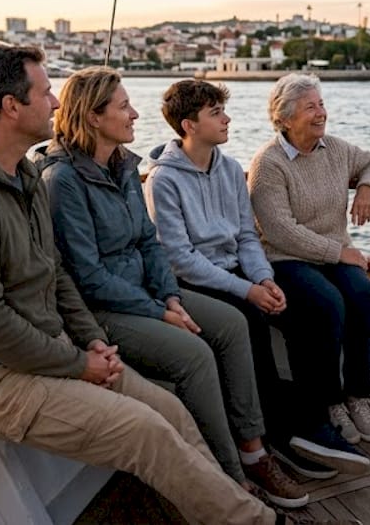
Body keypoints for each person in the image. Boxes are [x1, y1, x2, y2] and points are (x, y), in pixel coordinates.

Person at [0, 45, 275, 524]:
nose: (56, 103)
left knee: (169, 412)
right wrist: (79, 363)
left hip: (47, 346)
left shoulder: (23, 176)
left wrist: (92, 340)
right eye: (45, 92)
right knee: (147, 430)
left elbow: (55, 273)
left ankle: (226, 503)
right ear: (11, 107)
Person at [36, 67, 306, 509]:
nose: (135, 113)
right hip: (104, 310)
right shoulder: (63, 181)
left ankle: (254, 450)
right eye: (124, 106)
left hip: (149, 293)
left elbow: (149, 242)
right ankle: (229, 477)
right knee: (195, 354)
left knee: (234, 324)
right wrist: (159, 310)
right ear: (93, 116)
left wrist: (173, 297)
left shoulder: (123, 165)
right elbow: (86, 276)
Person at [144, 78, 370, 480]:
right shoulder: (164, 180)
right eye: (216, 114)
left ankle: (314, 417)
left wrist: (265, 279)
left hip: (238, 272)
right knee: (248, 321)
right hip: (196, 281)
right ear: (189, 126)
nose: (228, 119)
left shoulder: (230, 170)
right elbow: (181, 259)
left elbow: (248, 236)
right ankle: (276, 436)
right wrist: (247, 289)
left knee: (309, 307)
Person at [247, 73, 370, 450]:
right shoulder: (269, 164)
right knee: (326, 304)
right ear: (286, 118)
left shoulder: (335, 150)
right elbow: (280, 231)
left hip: (330, 252)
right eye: (310, 107)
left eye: (321, 104)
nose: (321, 113)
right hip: (285, 259)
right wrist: (339, 252)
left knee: (362, 295)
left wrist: (367, 190)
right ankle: (330, 403)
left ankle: (357, 396)